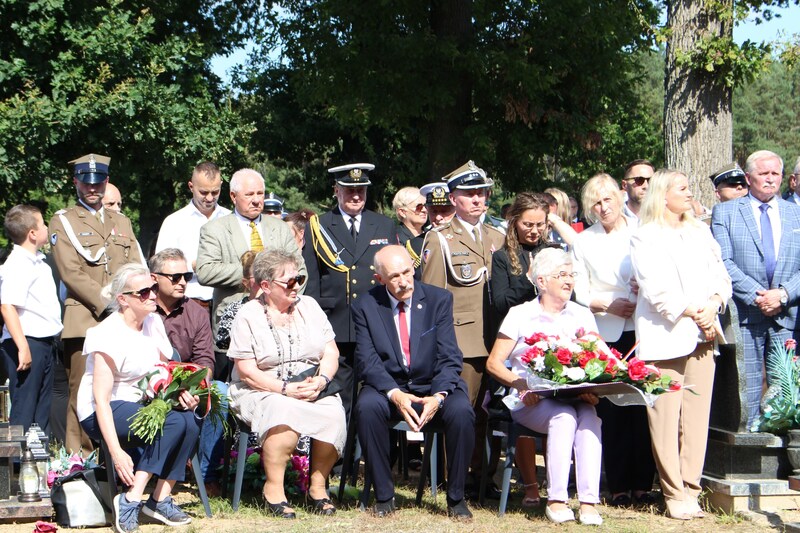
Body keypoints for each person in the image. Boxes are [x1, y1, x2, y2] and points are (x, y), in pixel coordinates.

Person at [632, 169, 732, 520]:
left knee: (696, 418)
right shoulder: (645, 236)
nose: (691, 194)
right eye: (683, 189)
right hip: (666, 337)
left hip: (703, 336)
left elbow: (722, 275)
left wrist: (714, 304)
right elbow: (655, 289)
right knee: (664, 416)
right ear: (663, 196)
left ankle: (691, 488)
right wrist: (694, 312)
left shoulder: (700, 231)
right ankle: (672, 491)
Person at [77, 264, 201, 532]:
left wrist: (181, 391)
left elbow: (164, 367)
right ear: (123, 299)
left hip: (141, 403)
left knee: (189, 420)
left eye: (153, 288)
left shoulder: (153, 322)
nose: (153, 296)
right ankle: (132, 498)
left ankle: (159, 499)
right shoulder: (107, 334)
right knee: (173, 423)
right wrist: (116, 451)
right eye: (144, 292)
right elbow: (100, 399)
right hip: (102, 411)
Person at [353, 245, 474, 519]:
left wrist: (438, 396)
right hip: (390, 386)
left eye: (407, 272)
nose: (404, 281)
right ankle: (384, 495)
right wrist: (395, 394)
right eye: (394, 276)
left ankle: (456, 497)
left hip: (432, 385)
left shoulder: (438, 299)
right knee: (367, 407)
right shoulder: (365, 305)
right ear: (379, 278)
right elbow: (367, 360)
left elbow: (449, 355)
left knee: (462, 411)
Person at [486, 248, 603, 525]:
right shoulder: (520, 314)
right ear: (541, 281)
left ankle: (588, 502)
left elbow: (601, 360)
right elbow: (494, 363)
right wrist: (522, 384)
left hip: (575, 398)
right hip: (531, 401)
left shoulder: (582, 315)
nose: (569, 281)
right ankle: (557, 499)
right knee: (564, 418)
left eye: (571, 274)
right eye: (561, 275)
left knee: (589, 419)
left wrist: (593, 389)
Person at [227, 250, 344, 519]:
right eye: (288, 281)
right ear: (265, 286)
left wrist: (322, 380)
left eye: (299, 278)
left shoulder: (310, 306)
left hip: (309, 383)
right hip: (260, 387)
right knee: (283, 410)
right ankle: (274, 489)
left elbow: (331, 352)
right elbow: (245, 370)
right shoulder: (248, 315)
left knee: (333, 412)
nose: (297, 286)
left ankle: (317, 488)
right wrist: (283, 389)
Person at [420, 160, 505, 497]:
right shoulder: (439, 238)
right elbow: (431, 298)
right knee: (462, 413)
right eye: (470, 194)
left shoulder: (498, 235)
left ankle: (485, 477)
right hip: (462, 342)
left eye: (482, 194)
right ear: (453, 198)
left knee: (492, 416)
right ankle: (452, 477)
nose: (477, 200)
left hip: (498, 341)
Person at [49, 153, 143, 454]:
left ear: (106, 181)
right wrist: (110, 303)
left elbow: (133, 268)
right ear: (75, 181)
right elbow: (70, 272)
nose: (93, 188)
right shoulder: (63, 221)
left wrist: (128, 306)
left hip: (123, 318)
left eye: (99, 181)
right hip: (86, 318)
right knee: (83, 393)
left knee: (123, 390)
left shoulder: (122, 221)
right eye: (87, 182)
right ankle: (80, 465)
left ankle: (118, 460)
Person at [571, 173, 655, 507]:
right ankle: (618, 484)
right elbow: (579, 290)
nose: (603, 207)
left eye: (608, 200)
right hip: (607, 331)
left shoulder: (643, 232)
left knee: (643, 407)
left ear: (621, 197)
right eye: (596, 202)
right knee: (615, 411)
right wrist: (608, 304)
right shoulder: (583, 241)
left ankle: (643, 483)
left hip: (644, 328)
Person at [711, 150, 800, 430]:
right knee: (746, 390)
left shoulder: (795, 213)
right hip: (746, 312)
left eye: (775, 174)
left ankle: (787, 450)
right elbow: (722, 261)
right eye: (764, 174)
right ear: (748, 178)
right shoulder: (726, 212)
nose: (770, 179)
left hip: (787, 313)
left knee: (789, 388)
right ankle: (749, 446)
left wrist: (783, 294)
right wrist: (758, 295)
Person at [302, 163, 397, 419]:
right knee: (340, 398)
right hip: (336, 321)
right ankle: (339, 456)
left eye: (361, 190)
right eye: (349, 190)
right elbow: (311, 280)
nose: (356, 196)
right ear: (336, 190)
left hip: (375, 319)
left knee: (376, 394)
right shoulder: (319, 226)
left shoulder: (384, 225)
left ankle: (373, 454)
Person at [488, 192, 556, 506]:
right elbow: (500, 302)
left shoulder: (552, 251)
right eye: (527, 224)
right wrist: (529, 280)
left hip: (552, 341)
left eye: (540, 224)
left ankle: (557, 484)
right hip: (515, 345)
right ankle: (530, 485)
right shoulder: (502, 257)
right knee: (525, 407)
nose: (533, 230)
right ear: (514, 222)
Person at [148, 248, 225, 496]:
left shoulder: (197, 312)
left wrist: (192, 387)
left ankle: (205, 474)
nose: (182, 282)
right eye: (175, 277)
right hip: (149, 383)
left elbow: (205, 359)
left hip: (190, 383)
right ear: (154, 278)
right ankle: (144, 470)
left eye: (187, 276)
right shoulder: (143, 308)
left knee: (221, 392)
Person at [196, 168, 305, 318]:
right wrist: (254, 273)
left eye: (260, 193)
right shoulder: (214, 229)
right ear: (233, 196)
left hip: (280, 314)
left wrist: (286, 299)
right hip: (233, 316)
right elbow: (205, 272)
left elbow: (300, 269)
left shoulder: (279, 227)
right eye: (249, 194)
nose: (256, 200)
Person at [0, 205, 62, 433]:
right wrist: (23, 347)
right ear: (32, 233)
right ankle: (16, 465)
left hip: (43, 342)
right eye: (43, 223)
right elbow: (7, 307)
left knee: (41, 410)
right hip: (26, 342)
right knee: (24, 409)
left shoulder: (38, 262)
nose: (47, 227)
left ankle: (37, 462)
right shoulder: (18, 264)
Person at [155, 162, 231, 309]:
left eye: (215, 192)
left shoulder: (230, 218)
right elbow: (160, 268)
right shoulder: (174, 222)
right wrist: (192, 266)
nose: (209, 198)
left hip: (225, 301)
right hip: (188, 303)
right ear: (191, 187)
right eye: (203, 192)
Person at [214, 251, 259, 352]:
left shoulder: (279, 308)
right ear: (246, 282)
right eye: (257, 278)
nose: (263, 281)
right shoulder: (235, 309)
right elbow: (222, 342)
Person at [621, 159, 654, 223]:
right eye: (639, 180)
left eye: (650, 180)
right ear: (625, 185)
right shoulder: (614, 218)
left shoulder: (664, 218)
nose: (646, 186)